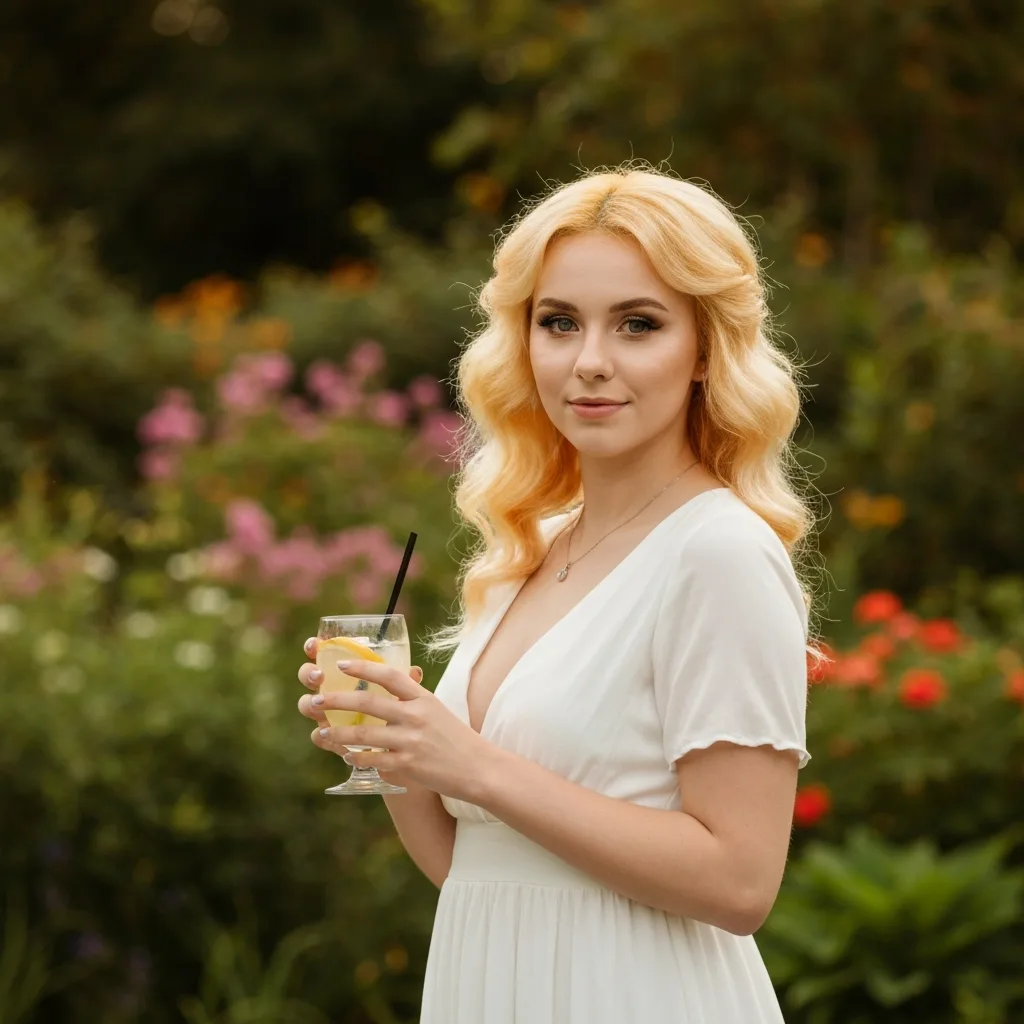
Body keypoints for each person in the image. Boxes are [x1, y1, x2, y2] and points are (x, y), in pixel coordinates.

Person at [297, 164, 817, 1023]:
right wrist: (395, 746)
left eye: (638, 325)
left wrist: (473, 764)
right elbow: (477, 867)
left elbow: (740, 881)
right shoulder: (532, 549)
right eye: (559, 323)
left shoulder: (718, 552)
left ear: (703, 351)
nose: (590, 363)